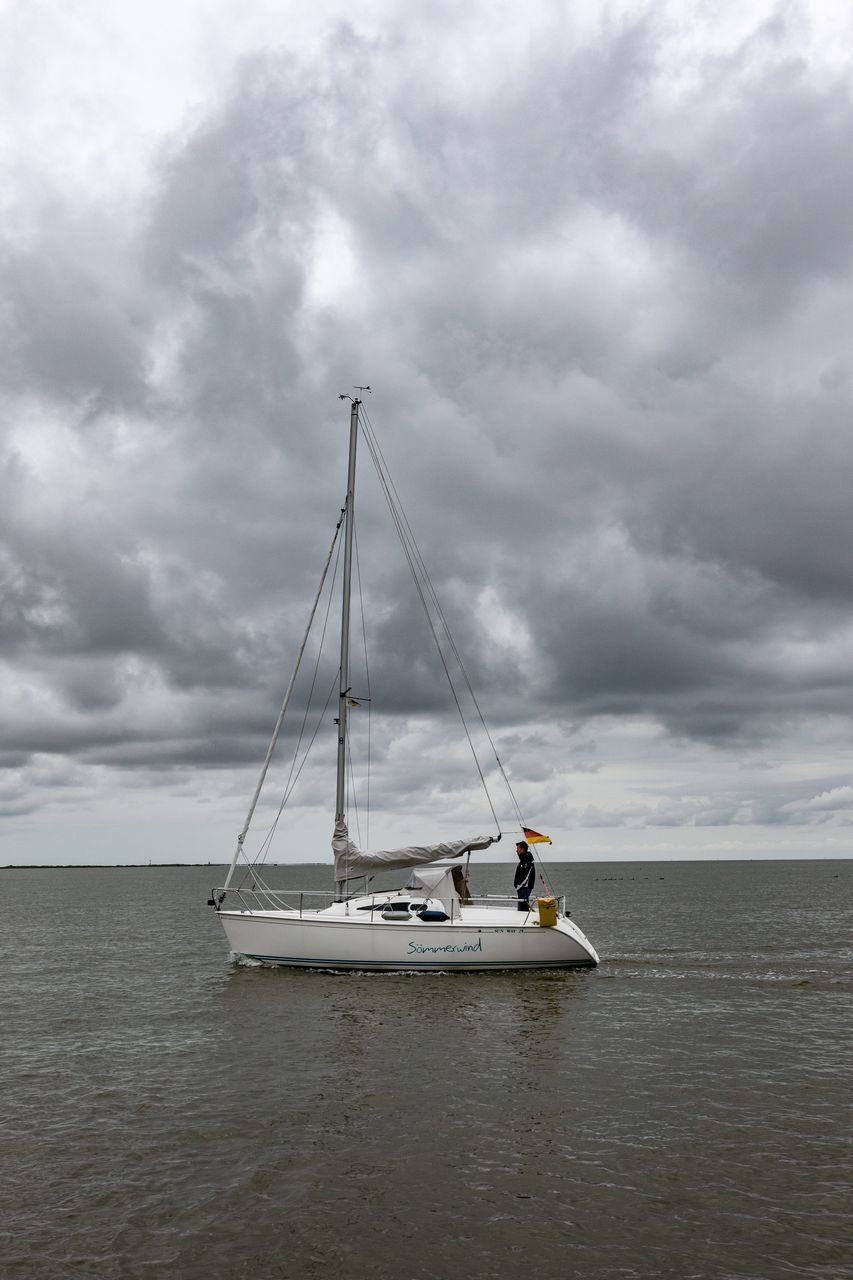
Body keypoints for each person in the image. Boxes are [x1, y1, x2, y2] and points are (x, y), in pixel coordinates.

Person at [514, 840, 535, 911]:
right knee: (521, 907)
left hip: (524, 888)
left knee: (522, 909)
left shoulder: (527, 861)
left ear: (522, 849)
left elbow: (527, 875)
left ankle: (524, 920)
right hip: (522, 888)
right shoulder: (523, 861)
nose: (516, 851)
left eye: (518, 849)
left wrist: (519, 885)